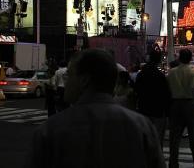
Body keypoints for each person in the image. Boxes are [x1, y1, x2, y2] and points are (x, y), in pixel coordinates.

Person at [25, 49, 165, 168]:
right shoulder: (142, 126)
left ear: (84, 80)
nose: (65, 82)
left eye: (70, 75)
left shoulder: (50, 131)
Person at [166, 48, 194, 168]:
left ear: (179, 58)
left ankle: (173, 162)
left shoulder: (171, 72)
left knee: (174, 137)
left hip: (175, 105)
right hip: (189, 105)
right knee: (193, 135)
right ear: (190, 59)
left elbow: (168, 90)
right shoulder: (193, 72)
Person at [135, 49, 171, 148]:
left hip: (144, 108)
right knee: (157, 139)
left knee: (145, 138)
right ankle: (156, 160)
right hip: (158, 110)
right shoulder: (160, 75)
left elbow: (136, 90)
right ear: (159, 60)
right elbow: (166, 94)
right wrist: (167, 112)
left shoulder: (141, 74)